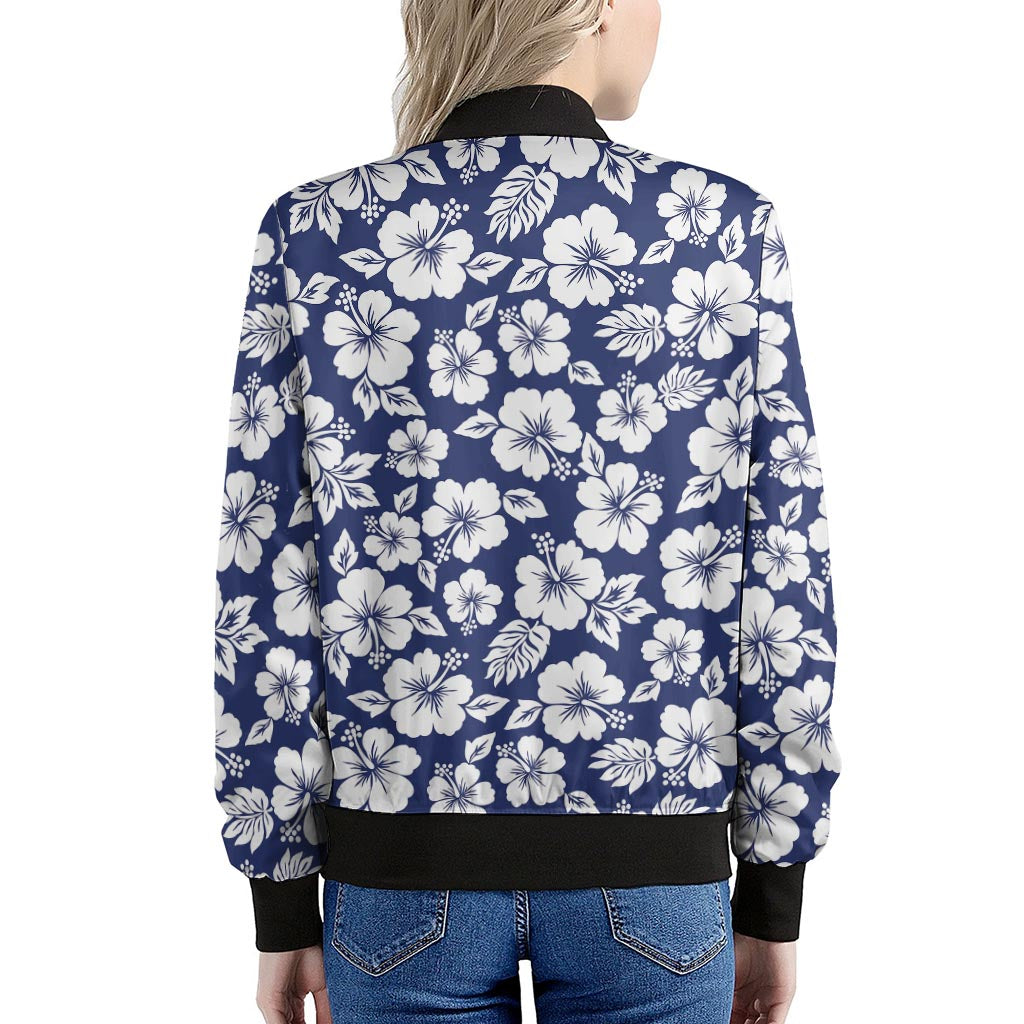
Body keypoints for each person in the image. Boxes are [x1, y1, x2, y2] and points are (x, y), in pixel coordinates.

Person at [213, 2, 841, 1021]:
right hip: (659, 875)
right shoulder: (720, 231)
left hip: (396, 876)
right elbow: (784, 576)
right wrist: (775, 887)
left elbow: (265, 582)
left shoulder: (317, 233)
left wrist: (280, 900)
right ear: (594, 6)